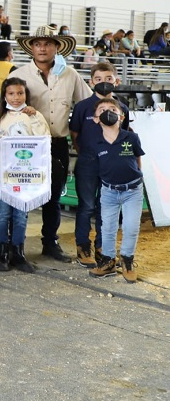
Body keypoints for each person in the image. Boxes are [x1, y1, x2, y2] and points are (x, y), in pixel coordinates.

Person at [7, 26, 91, 262]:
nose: (42, 48)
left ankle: (50, 242)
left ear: (57, 47)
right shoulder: (19, 73)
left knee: (53, 196)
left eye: (48, 43)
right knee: (21, 195)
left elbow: (87, 103)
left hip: (57, 142)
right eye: (37, 44)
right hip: (27, 145)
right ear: (31, 48)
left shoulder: (70, 74)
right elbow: (3, 103)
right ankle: (16, 245)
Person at [0, 77, 50, 273]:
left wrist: (35, 116)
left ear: (26, 95)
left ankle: (18, 253)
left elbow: (44, 138)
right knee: (4, 213)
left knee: (21, 213)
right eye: (11, 93)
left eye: (20, 93)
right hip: (3, 173)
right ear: (4, 95)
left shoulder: (33, 115)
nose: (15, 97)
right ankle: (2, 253)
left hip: (26, 173)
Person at [69, 61, 130, 268]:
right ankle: (83, 245)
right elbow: (75, 134)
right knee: (86, 206)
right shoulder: (82, 106)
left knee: (108, 207)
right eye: (98, 79)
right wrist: (85, 153)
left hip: (111, 165)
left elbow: (125, 135)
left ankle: (103, 246)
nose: (104, 83)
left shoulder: (122, 108)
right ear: (91, 81)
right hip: (87, 162)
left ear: (117, 81)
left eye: (109, 79)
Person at [87, 97, 145, 283]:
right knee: (108, 228)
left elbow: (137, 158)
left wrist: (137, 176)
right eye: (102, 109)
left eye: (112, 108)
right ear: (96, 119)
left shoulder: (131, 137)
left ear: (121, 116)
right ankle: (108, 261)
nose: (107, 111)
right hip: (109, 192)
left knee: (130, 227)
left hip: (132, 191)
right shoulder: (95, 143)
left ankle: (127, 260)